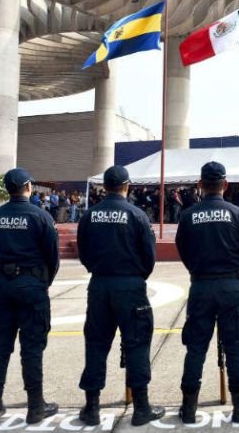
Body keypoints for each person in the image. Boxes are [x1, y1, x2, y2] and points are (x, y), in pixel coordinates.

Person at [76, 165, 164, 427]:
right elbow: (149, 257)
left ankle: (92, 407)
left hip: (100, 285)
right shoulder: (136, 215)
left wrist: (99, 270)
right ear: (127, 186)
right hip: (130, 286)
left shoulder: (89, 216)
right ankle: (141, 407)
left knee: (96, 344)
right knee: (136, 344)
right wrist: (135, 277)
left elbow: (84, 253)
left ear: (104, 187)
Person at [174, 162, 239, 424]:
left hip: (201, 285)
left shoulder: (188, 216)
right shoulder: (238, 214)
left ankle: (188, 408)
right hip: (231, 286)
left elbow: (183, 251)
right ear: (226, 184)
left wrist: (200, 271)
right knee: (235, 348)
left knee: (195, 348)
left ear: (200, 185)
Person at [0, 168, 60, 425]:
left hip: (3, 286)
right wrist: (42, 281)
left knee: (0, 348)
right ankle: (36, 406)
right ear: (28, 186)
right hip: (32, 287)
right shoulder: (41, 216)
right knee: (32, 349)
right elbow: (53, 256)